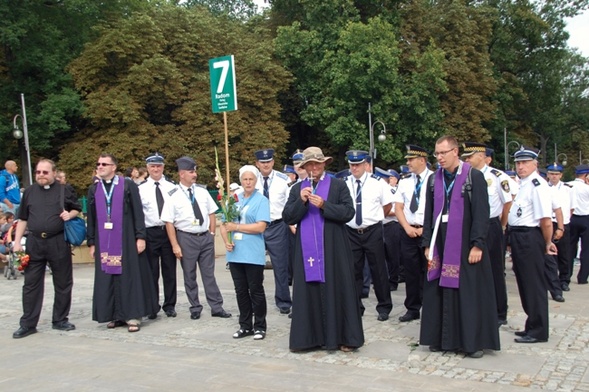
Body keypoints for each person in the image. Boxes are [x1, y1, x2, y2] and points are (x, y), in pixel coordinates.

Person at [421, 136, 500, 358]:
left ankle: (471, 342)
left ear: (455, 151)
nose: (439, 158)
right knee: (438, 288)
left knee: (468, 291)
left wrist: (478, 244)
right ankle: (440, 338)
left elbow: (482, 214)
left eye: (443, 153)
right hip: (440, 239)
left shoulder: (473, 177)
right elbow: (428, 214)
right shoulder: (433, 179)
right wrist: (427, 243)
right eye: (437, 153)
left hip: (464, 241)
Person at [283, 146, 364, 352]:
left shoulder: (337, 185)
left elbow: (348, 212)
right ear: (304, 167)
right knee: (309, 291)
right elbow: (288, 217)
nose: (314, 167)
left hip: (333, 249)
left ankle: (344, 337)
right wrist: (301, 201)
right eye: (309, 164)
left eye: (317, 163)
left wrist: (324, 206)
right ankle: (309, 339)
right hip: (306, 251)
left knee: (338, 289)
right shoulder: (297, 189)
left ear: (324, 164)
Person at [87, 154, 158, 333]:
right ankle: (115, 314)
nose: (100, 166)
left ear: (114, 167)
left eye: (104, 164)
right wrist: (92, 242)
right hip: (104, 240)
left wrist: (140, 237)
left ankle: (133, 314)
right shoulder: (94, 188)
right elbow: (92, 217)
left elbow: (138, 212)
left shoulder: (127, 185)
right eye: (98, 163)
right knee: (108, 276)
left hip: (125, 240)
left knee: (129, 276)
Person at [12, 159, 82, 338]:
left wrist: (69, 214)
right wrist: (17, 242)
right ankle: (28, 323)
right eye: (38, 172)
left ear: (53, 173)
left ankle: (60, 319)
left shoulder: (63, 189)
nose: (41, 175)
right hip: (35, 243)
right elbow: (23, 218)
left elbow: (76, 209)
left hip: (57, 241)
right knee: (31, 284)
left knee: (63, 282)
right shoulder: (29, 192)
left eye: (45, 172)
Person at [161, 156, 230, 320]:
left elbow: (211, 213)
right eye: (191, 172)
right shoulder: (172, 194)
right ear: (182, 174)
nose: (195, 174)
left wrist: (212, 233)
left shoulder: (202, 191)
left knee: (209, 274)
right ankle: (195, 307)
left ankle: (216, 306)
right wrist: (175, 245)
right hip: (186, 238)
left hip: (205, 237)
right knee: (189, 275)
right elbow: (169, 222)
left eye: (195, 171)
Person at [507, 146, 556, 343]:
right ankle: (532, 324)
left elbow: (545, 220)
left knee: (533, 284)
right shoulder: (523, 184)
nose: (521, 167)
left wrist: (547, 242)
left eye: (525, 163)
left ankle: (538, 329)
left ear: (535, 164)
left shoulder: (538, 185)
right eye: (518, 163)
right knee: (524, 282)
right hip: (519, 236)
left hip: (530, 236)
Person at [461, 142, 513, 325]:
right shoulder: (465, 176)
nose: (466, 160)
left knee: (495, 270)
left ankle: (500, 312)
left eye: (470, 156)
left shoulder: (497, 176)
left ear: (482, 156)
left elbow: (507, 202)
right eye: (465, 157)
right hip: (470, 226)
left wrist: (502, 225)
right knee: (474, 269)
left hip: (491, 225)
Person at [220, 165, 270, 340]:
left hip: (253, 252)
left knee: (255, 289)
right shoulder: (234, 199)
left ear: (256, 181)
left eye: (251, 179)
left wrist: (238, 227)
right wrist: (226, 241)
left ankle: (260, 325)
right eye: (245, 179)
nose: (248, 182)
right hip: (236, 252)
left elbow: (261, 226)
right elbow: (224, 224)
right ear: (241, 181)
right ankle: (245, 324)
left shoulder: (261, 200)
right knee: (240, 290)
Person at [344, 150, 393, 321]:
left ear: (365, 164)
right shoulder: (344, 182)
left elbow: (387, 206)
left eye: (358, 164)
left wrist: (374, 217)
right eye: (352, 164)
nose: (355, 168)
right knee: (354, 270)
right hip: (351, 232)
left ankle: (384, 306)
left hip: (372, 230)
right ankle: (356, 305)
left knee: (378, 269)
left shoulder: (377, 182)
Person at [394, 145, 433, 322]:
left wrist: (426, 229)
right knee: (411, 271)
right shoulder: (404, 181)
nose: (408, 162)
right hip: (408, 230)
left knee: (430, 269)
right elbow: (399, 208)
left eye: (411, 159)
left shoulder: (435, 179)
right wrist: (406, 227)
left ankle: (431, 306)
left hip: (428, 230)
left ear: (422, 160)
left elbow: (439, 208)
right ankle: (412, 307)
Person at [138, 153, 178, 318]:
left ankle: (170, 305)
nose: (156, 169)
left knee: (170, 271)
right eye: (153, 166)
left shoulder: (172, 187)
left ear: (163, 167)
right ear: (147, 168)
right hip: (150, 232)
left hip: (168, 231)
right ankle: (152, 306)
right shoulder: (140, 189)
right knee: (151, 272)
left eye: (158, 166)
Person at [254, 149, 292, 314]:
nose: (266, 164)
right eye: (262, 162)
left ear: (273, 162)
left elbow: (290, 203)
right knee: (254, 266)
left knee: (281, 266)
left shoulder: (283, 180)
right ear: (257, 164)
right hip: (256, 227)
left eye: (268, 161)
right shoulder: (251, 179)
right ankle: (255, 301)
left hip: (277, 225)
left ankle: (283, 301)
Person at [569, 164, 589, 284]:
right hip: (586, 218)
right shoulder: (587, 188)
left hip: (572, 218)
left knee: (570, 247)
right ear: (586, 175)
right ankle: (582, 277)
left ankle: (566, 274)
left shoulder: (568, 185)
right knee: (586, 250)